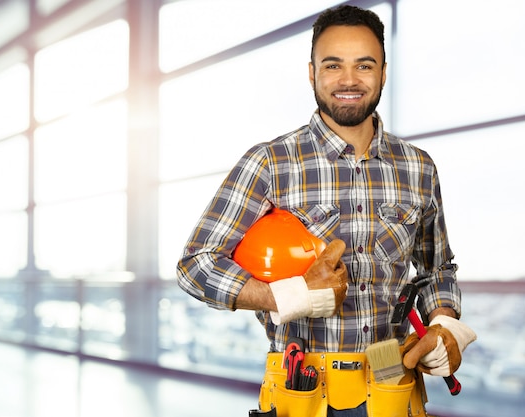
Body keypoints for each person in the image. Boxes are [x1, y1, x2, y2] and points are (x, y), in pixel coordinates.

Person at [177, 5, 476, 417]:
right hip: (303, 394)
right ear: (312, 72)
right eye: (333, 65)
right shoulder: (270, 162)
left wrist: (445, 327)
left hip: (393, 389)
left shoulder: (418, 167)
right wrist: (287, 296)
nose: (349, 80)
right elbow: (196, 265)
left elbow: (435, 271)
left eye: (364, 66)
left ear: (383, 73)